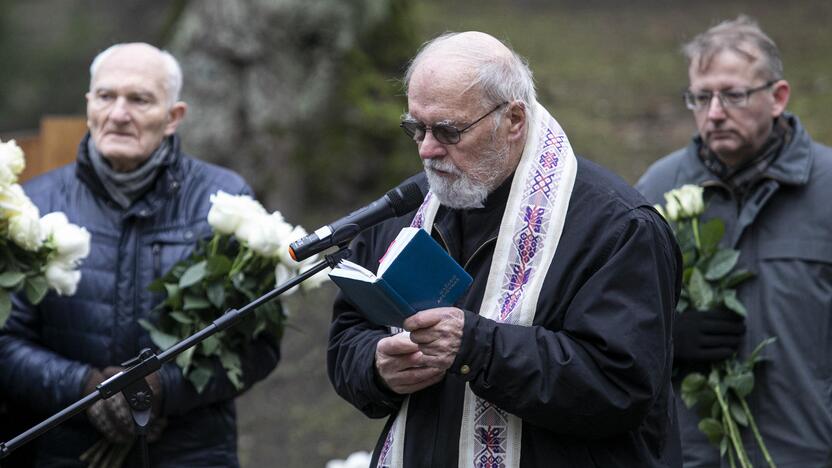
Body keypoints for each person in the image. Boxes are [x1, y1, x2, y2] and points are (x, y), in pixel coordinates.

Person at [327, 31, 682, 467]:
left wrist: (478, 348)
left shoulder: (619, 226)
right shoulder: (410, 208)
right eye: (415, 127)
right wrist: (377, 368)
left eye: (448, 131)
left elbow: (622, 388)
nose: (426, 149)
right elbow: (349, 333)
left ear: (513, 119)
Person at [0, 43, 280, 467]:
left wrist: (164, 388)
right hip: (68, 451)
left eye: (139, 99)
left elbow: (257, 342)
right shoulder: (33, 205)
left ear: (174, 117)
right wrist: (85, 388)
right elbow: (6, 341)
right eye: (106, 96)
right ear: (89, 104)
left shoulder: (225, 203)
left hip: (191, 451)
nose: (118, 114)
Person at [636, 16, 832, 467]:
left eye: (733, 94)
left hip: (805, 451)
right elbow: (614, 322)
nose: (715, 112)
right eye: (701, 97)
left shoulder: (825, 189)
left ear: (778, 97)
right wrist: (668, 341)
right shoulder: (656, 191)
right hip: (691, 452)